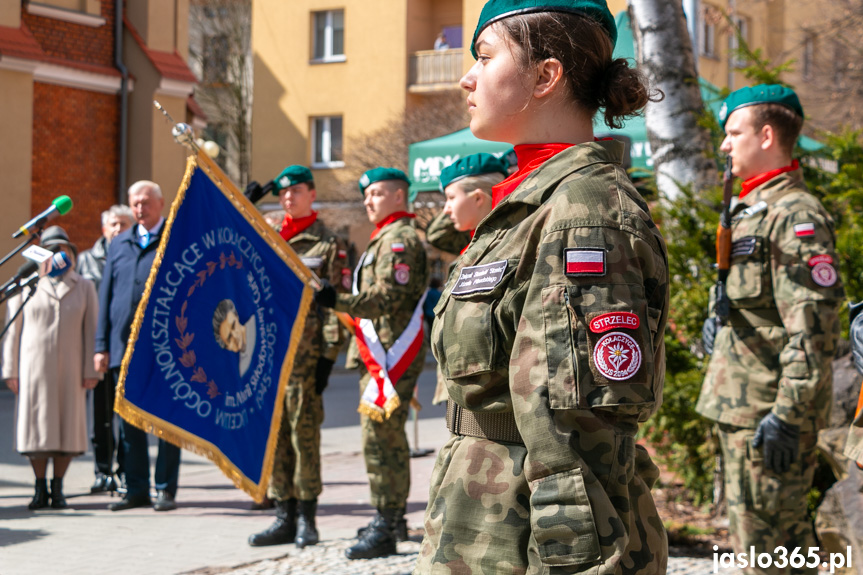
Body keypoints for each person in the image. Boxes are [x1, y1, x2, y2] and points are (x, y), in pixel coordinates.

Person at [414, 1, 669, 572]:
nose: (467, 76)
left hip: (526, 531)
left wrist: (570, 559)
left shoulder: (585, 213)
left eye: (484, 56)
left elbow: (579, 434)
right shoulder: (531, 200)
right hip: (483, 512)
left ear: (546, 76)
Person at [696, 85, 844, 571]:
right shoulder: (752, 208)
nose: (724, 145)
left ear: (765, 135)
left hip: (768, 412)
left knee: (770, 551)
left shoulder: (794, 216)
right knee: (773, 544)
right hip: (743, 404)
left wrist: (787, 415)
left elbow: (814, 329)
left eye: (732, 133)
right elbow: (760, 308)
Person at [315, 167, 429, 560]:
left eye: (377, 193)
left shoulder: (400, 240)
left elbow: (386, 297)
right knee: (384, 438)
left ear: (399, 197)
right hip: (380, 348)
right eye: (367, 195)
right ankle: (391, 516)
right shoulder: (386, 237)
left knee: (381, 440)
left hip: (391, 351)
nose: (369, 201)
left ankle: (386, 522)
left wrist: (338, 301)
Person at [247, 165, 349, 548]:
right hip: (266, 356)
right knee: (275, 438)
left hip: (306, 356)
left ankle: (307, 519)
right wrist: (248, 198)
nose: (288, 198)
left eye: (297, 191)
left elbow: (336, 303)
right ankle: (282, 517)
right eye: (283, 193)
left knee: (303, 438)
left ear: (311, 193)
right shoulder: (269, 235)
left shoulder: (326, 243)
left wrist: (328, 356)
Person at [94, 180, 182, 512]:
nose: (140, 209)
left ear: (160, 204)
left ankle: (165, 489)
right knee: (127, 421)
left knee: (166, 422)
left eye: (146, 202)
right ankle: (136, 489)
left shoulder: (173, 240)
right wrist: (101, 345)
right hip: (122, 348)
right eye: (135, 204)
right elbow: (106, 298)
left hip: (165, 349)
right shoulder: (118, 245)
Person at [2, 226, 99, 510]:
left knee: (67, 430)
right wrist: (10, 369)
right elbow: (12, 330)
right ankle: (39, 488)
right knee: (37, 431)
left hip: (71, 370)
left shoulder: (84, 285)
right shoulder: (26, 286)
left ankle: (58, 489)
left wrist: (91, 370)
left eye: (63, 249)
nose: (58, 254)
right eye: (52, 249)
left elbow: (91, 331)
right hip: (34, 371)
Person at [77, 205, 134, 494]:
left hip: (123, 346)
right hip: (96, 348)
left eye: (124, 224)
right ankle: (102, 472)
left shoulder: (133, 256)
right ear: (103, 229)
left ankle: (125, 471)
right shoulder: (85, 261)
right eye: (113, 224)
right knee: (100, 415)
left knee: (125, 415)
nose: (117, 229)